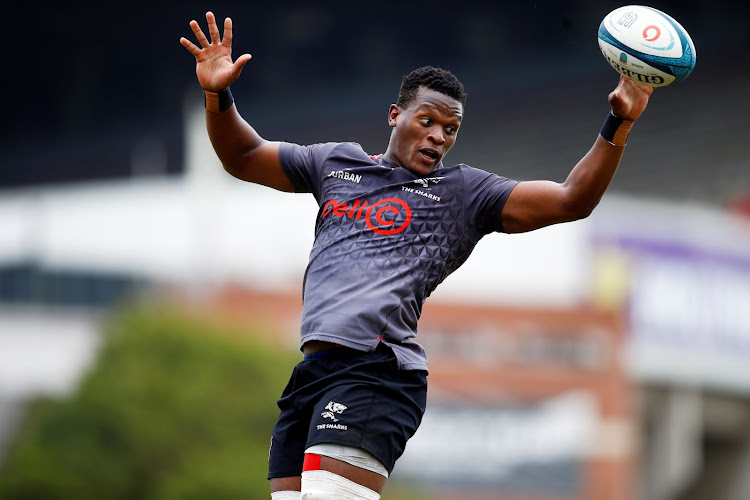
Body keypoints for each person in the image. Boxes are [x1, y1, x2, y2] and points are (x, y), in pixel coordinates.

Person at [180, 11, 653, 500]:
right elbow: (242, 156)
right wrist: (219, 95)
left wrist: (619, 119)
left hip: (377, 372)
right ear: (395, 115)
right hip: (311, 376)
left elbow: (573, 199)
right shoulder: (335, 164)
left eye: (450, 129)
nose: (437, 137)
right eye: (427, 120)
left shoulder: (465, 192)